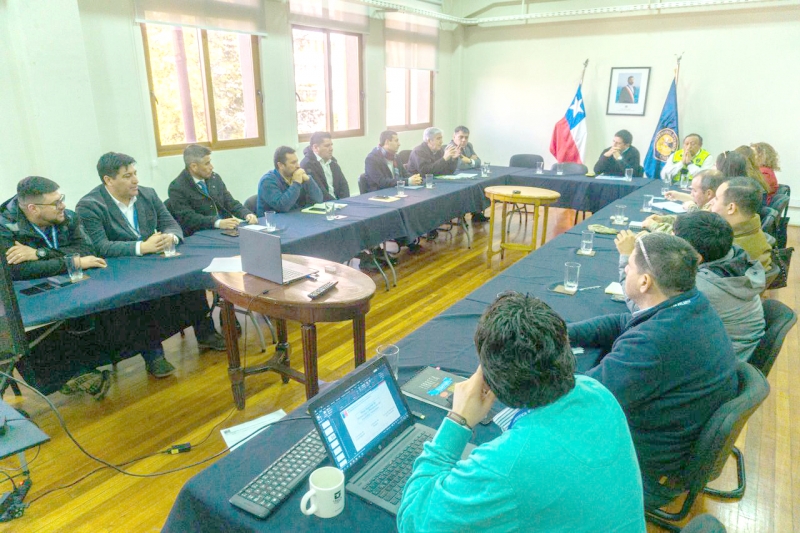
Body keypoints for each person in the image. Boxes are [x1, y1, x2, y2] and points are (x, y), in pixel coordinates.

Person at [398, 293, 645, 532]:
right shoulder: (595, 391)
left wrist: (457, 421)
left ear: (489, 379)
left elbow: (413, 522)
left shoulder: (507, 466)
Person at [569, 232, 738, 509]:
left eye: (630, 267)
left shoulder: (652, 343)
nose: (625, 269)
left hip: (644, 469)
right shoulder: (692, 303)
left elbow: (583, 399)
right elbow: (625, 321)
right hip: (675, 443)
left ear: (645, 281)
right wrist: (564, 333)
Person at [77, 152, 226, 378]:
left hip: (155, 261)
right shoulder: (90, 205)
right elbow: (99, 246)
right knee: (142, 300)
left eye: (135, 173)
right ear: (108, 180)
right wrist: (141, 247)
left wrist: (171, 238)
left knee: (189, 277)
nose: (135, 180)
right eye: (127, 176)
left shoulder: (147, 194)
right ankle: (154, 355)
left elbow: (171, 224)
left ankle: (205, 334)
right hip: (122, 271)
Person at [673, 211, 765, 361]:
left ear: (696, 257)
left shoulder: (700, 287)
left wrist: (627, 260)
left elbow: (648, 312)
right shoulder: (733, 253)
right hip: (736, 348)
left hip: (720, 362)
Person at [1, 176, 106, 281]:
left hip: (74, 280)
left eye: (61, 199)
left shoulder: (68, 217)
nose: (63, 206)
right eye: (56, 203)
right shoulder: (5, 227)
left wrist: (41, 253)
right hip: (34, 290)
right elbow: (17, 271)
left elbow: (87, 250)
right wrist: (75, 262)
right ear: (33, 208)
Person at [167, 144, 257, 236]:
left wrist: (246, 214)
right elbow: (188, 218)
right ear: (194, 166)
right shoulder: (177, 187)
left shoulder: (214, 178)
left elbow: (230, 202)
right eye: (207, 163)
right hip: (200, 234)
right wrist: (218, 223)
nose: (211, 167)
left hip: (227, 231)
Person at [710, 176, 772, 270]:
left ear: (731, 208)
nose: (711, 202)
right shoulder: (753, 229)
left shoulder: (726, 249)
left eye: (716, 199)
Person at [643, 169, 724, 233]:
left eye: (694, 191)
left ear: (708, 193)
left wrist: (652, 225)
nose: (691, 194)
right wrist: (663, 219)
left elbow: (679, 234)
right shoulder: (712, 204)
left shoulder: (712, 213)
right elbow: (687, 220)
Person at [257, 146, 323, 213]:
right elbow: (283, 207)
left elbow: (319, 199)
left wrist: (309, 180)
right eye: (293, 163)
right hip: (273, 222)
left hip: (297, 218)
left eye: (297, 162)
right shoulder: (267, 181)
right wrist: (296, 183)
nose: (298, 166)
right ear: (280, 165)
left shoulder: (297, 175)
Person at [446, 126, 489, 222]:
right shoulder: (451, 147)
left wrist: (469, 161)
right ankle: (461, 215)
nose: (464, 140)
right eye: (461, 137)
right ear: (454, 136)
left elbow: (478, 161)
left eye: (466, 137)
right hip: (455, 178)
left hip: (469, 175)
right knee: (468, 189)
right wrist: (472, 161)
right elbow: (460, 166)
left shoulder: (469, 145)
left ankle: (476, 213)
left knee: (478, 185)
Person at [299, 132, 350, 202]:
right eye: (327, 146)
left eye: (331, 145)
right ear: (315, 147)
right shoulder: (307, 165)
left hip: (338, 203)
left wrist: (345, 201)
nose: (331, 148)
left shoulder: (333, 162)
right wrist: (336, 203)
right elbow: (320, 192)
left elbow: (344, 185)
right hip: (321, 206)